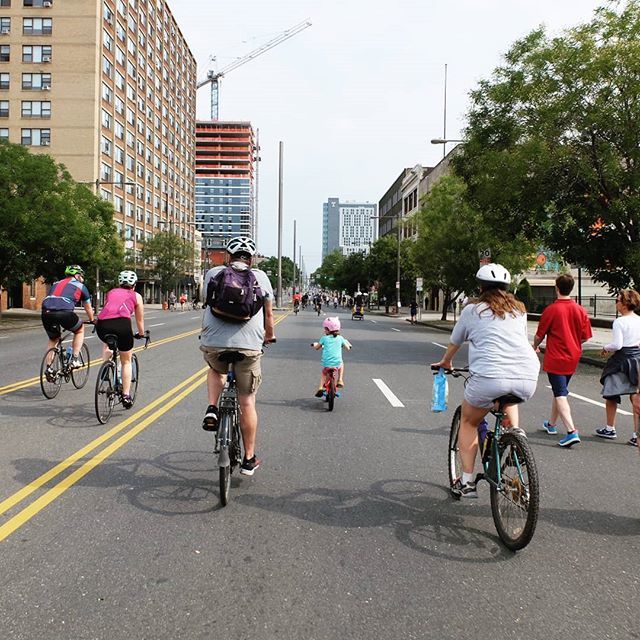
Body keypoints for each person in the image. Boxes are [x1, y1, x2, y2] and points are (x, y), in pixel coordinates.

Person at [431, 263, 540, 498]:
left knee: (469, 421)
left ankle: (468, 482)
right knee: (509, 398)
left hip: (490, 376)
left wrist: (446, 362)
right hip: (526, 374)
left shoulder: (473, 310)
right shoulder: (519, 310)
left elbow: (455, 341)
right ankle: (517, 434)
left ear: (481, 287)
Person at [200, 236, 275, 476]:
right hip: (249, 347)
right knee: (247, 401)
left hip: (214, 342)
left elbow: (205, 301)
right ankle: (249, 458)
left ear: (228, 256)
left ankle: (212, 408)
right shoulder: (261, 277)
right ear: (251, 258)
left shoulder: (213, 273)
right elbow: (269, 316)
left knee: (215, 369)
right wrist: (268, 336)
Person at [532, 274, 592, 447]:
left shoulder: (551, 310)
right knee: (560, 390)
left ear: (556, 287)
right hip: (573, 356)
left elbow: (539, 335)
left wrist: (533, 347)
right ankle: (551, 424)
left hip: (555, 357)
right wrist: (572, 342)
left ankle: (571, 431)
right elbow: (585, 337)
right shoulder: (580, 310)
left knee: (560, 393)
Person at [595, 289, 640, 442]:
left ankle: (610, 428)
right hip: (637, 359)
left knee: (611, 393)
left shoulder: (619, 322)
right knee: (636, 396)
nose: (616, 303)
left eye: (617, 300)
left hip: (621, 361)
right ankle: (636, 434)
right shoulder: (639, 320)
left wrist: (605, 348)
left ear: (625, 304)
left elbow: (617, 345)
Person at [95, 270, 145, 409]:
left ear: (119, 283)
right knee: (126, 361)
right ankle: (126, 395)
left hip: (102, 324)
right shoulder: (136, 296)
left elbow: (109, 308)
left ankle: (106, 366)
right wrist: (141, 333)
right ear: (134, 284)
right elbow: (139, 319)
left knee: (107, 344)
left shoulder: (111, 292)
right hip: (122, 324)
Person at [41, 265, 95, 373]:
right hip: (65, 312)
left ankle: (49, 369)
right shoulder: (80, 286)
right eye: (81, 276)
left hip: (46, 313)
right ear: (77, 275)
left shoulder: (55, 283)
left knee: (53, 339)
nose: (82, 278)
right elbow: (88, 307)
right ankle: (74, 359)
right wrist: (92, 320)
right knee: (79, 329)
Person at [311, 316, 352, 396]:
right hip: (337, 363)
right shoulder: (340, 338)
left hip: (326, 363)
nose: (324, 330)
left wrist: (315, 345)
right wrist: (347, 345)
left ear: (328, 330)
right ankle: (340, 380)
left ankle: (320, 388)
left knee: (324, 373)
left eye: (325, 329)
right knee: (342, 363)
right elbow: (348, 348)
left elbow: (317, 348)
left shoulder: (324, 338)